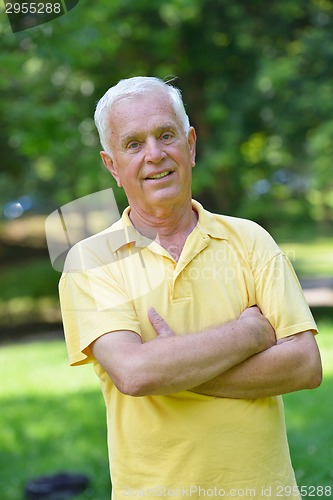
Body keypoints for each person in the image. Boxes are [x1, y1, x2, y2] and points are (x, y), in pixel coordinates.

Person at [59, 76, 322, 500]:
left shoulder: (250, 240)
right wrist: (248, 334)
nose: (155, 154)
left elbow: (304, 366)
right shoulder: (90, 261)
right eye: (133, 144)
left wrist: (175, 363)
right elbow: (135, 372)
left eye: (166, 135)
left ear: (191, 145)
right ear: (112, 165)